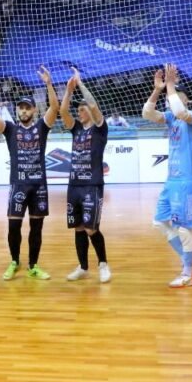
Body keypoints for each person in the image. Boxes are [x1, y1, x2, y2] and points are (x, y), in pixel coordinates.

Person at [0, 66, 59, 281]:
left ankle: (33, 266)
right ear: (17, 110)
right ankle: (14, 261)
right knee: (14, 226)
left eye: (27, 108)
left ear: (34, 110)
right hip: (18, 185)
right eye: (21, 108)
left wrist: (48, 84)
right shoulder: (10, 129)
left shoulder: (41, 127)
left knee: (36, 228)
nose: (24, 111)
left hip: (39, 186)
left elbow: (55, 108)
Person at [142, 64, 192, 288]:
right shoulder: (170, 118)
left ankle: (187, 274)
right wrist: (158, 90)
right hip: (171, 181)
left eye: (176, 94)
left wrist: (170, 85)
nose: (171, 97)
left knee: (184, 228)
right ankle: (190, 261)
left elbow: (179, 111)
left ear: (188, 100)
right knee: (159, 222)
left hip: (187, 182)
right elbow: (147, 113)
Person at [59, 69, 111, 283]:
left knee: (91, 228)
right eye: (78, 109)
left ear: (89, 111)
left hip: (92, 185)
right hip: (74, 186)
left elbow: (94, 105)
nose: (79, 112)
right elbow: (63, 111)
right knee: (79, 228)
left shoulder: (100, 128)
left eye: (82, 109)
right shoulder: (76, 128)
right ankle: (83, 267)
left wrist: (80, 84)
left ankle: (103, 264)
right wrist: (68, 91)